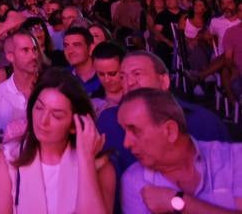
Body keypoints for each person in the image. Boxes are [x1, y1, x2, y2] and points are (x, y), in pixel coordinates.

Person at [0, 69, 123, 214]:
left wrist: (86, 159)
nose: (43, 120)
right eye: (39, 108)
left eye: (57, 115)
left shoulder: (100, 165)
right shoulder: (8, 158)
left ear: (75, 125)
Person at [97, 50, 228, 174]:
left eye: (137, 74)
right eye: (122, 77)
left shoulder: (201, 121)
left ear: (164, 81)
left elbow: (224, 177)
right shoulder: (109, 121)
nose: (129, 82)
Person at [0, 31, 40, 142]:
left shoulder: (50, 89)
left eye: (34, 49)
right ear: (10, 56)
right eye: (25, 50)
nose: (33, 56)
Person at [63, 26, 102, 97]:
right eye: (66, 46)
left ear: (91, 48)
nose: (70, 51)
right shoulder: (62, 77)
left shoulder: (105, 74)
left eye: (76, 45)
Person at [89, 41, 126, 112]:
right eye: (101, 74)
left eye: (112, 73)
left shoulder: (140, 98)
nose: (107, 80)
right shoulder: (91, 101)